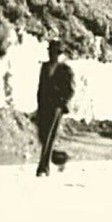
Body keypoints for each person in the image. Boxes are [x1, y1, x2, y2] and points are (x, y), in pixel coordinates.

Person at [36, 40, 75, 177]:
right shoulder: (45, 67)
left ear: (60, 54)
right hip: (44, 106)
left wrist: (61, 101)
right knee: (42, 135)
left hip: (56, 107)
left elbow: (70, 90)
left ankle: (43, 167)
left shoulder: (65, 70)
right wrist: (38, 105)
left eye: (56, 53)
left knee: (48, 137)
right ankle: (59, 158)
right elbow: (40, 87)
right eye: (51, 52)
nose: (53, 55)